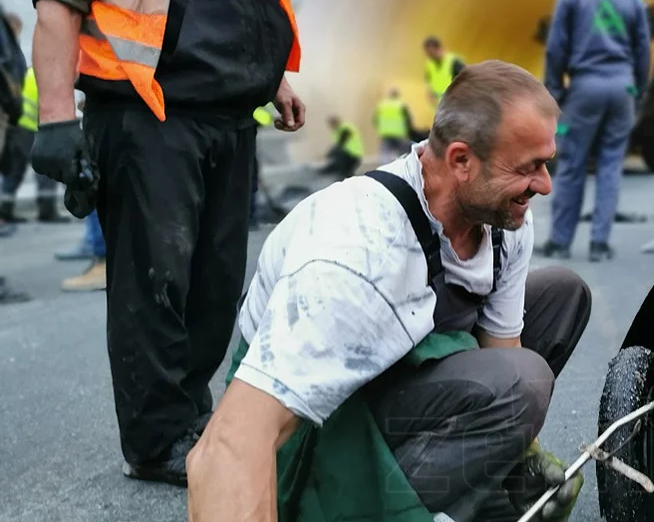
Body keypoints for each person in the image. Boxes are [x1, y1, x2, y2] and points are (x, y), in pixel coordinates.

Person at [25, 0, 305, 486]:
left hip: (223, 119)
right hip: (147, 116)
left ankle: (192, 418)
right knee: (156, 284)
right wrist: (55, 122)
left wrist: (271, 76)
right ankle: (158, 442)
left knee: (215, 283)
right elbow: (57, 2)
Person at [186, 60, 591, 522]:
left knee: (562, 295)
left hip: (394, 372)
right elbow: (230, 445)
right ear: (460, 160)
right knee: (523, 378)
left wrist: (523, 454)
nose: (544, 184)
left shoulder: (505, 219)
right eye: (529, 167)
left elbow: (500, 346)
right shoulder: (356, 251)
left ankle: (459, 480)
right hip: (316, 431)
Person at [540, 0, 650, 263]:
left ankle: (560, 242)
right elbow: (643, 49)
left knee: (572, 164)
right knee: (610, 166)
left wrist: (554, 92)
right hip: (621, 88)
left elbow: (556, 47)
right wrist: (638, 89)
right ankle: (599, 244)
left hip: (584, 87)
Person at [0, 59, 70, 227]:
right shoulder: (49, 77)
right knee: (46, 171)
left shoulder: (29, 73)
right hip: (33, 128)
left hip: (18, 127)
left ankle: (5, 211)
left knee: (14, 172)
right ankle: (47, 211)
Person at [424, 35, 466, 107]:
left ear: (439, 49)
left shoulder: (454, 62)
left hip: (454, 105)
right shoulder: (430, 64)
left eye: (431, 53)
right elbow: (429, 81)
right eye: (428, 54)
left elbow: (466, 81)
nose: (430, 56)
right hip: (439, 106)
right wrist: (430, 95)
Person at [374, 85, 414, 158]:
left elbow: (375, 120)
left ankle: (384, 168)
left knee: (385, 155)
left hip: (385, 134)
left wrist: (380, 129)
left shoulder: (382, 105)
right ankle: (399, 167)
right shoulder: (401, 105)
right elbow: (408, 120)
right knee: (402, 154)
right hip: (399, 134)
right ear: (397, 95)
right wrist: (410, 131)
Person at [321, 114, 364, 180]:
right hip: (348, 155)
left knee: (344, 173)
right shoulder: (337, 131)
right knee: (344, 173)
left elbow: (341, 143)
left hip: (352, 155)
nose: (331, 127)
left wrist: (329, 154)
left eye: (332, 125)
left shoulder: (345, 128)